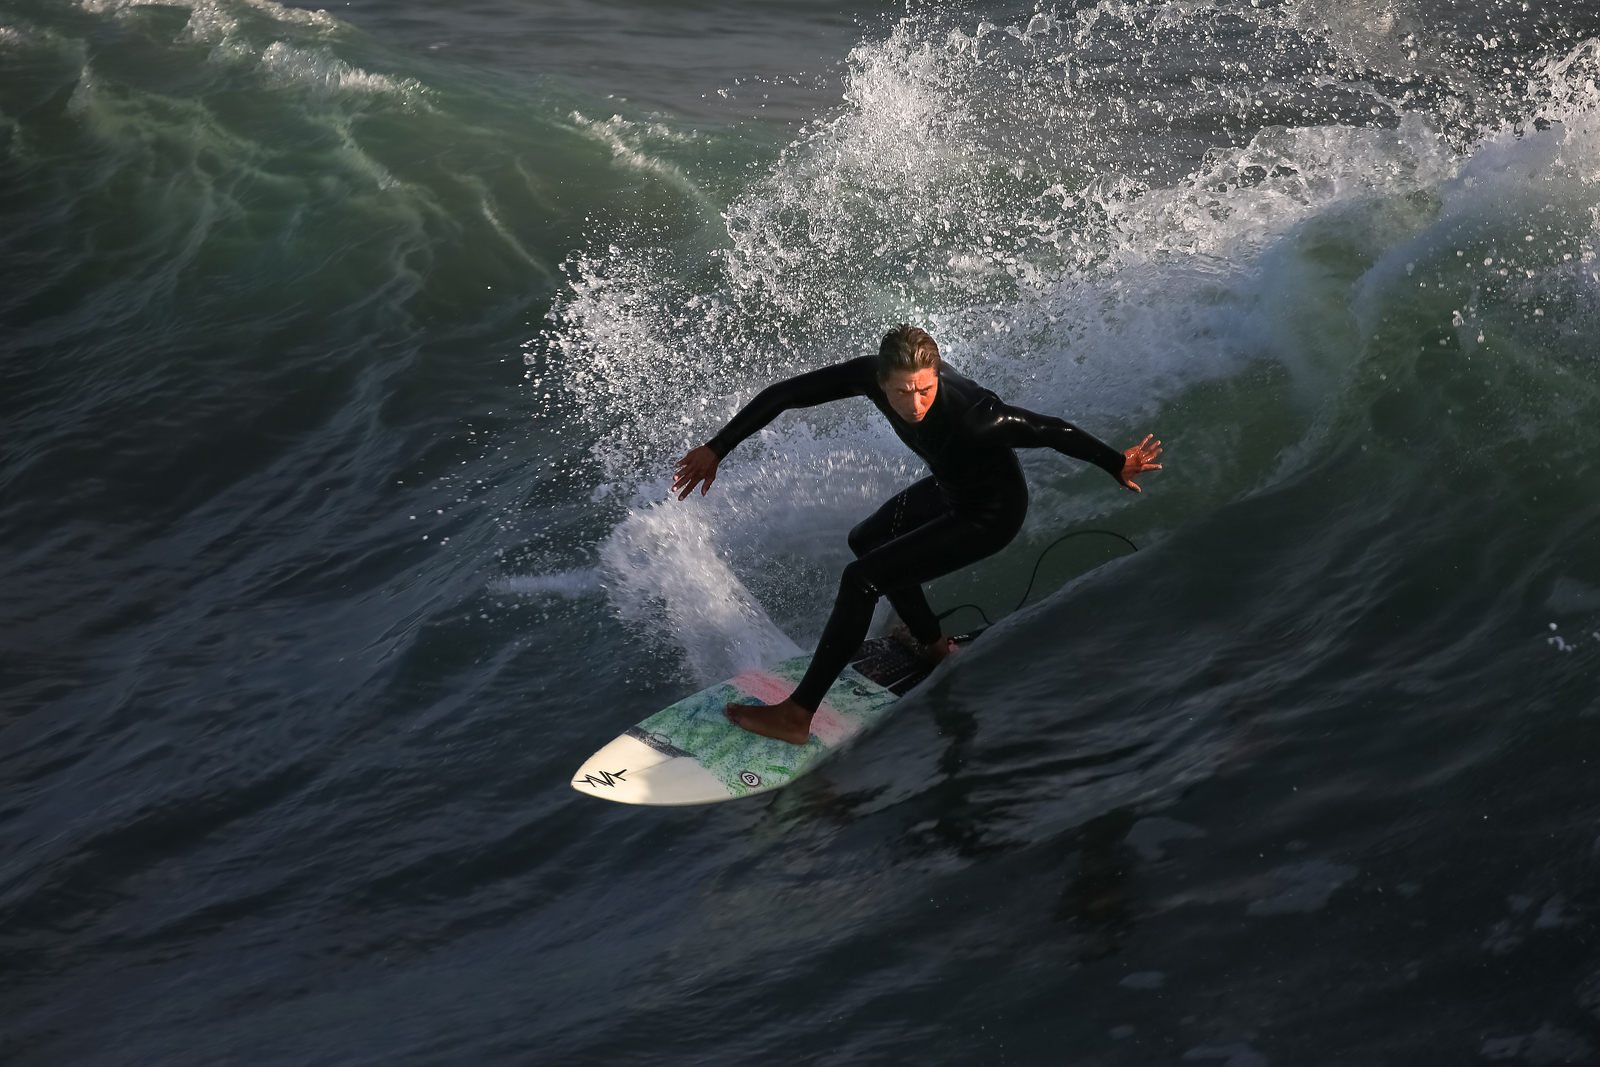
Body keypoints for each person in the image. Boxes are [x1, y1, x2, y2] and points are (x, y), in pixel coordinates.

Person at [671, 325, 1162, 746]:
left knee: (862, 579)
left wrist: (1117, 462)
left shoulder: (977, 417)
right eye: (902, 392)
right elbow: (786, 394)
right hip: (951, 491)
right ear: (880, 382)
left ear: (938, 375)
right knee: (866, 541)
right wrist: (717, 447)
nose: (915, 403)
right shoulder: (871, 376)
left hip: (990, 516)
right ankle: (930, 642)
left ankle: (797, 715)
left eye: (925, 390)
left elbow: (1052, 430)